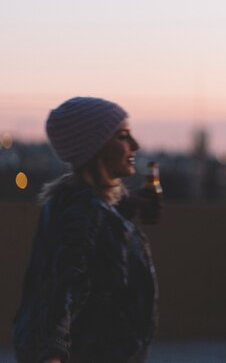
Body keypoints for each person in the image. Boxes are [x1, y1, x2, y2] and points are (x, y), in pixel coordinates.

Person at [12, 97, 158, 363]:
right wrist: (52, 352)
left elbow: (97, 265)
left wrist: (124, 209)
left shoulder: (81, 205)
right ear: (97, 148)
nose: (134, 145)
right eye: (123, 136)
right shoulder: (83, 213)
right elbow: (63, 287)